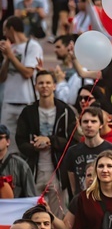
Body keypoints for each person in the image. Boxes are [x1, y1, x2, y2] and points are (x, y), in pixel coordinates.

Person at [17, 71, 76, 201]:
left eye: (48, 82)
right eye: (41, 83)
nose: (45, 86)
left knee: (59, 216)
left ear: (54, 86)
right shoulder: (28, 112)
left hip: (58, 172)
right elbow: (20, 141)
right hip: (34, 171)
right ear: (35, 86)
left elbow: (73, 142)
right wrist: (33, 147)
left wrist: (50, 140)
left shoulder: (65, 111)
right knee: (34, 214)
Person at [0, 16, 43, 153]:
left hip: (26, 101)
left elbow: (28, 73)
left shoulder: (33, 46)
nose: (4, 35)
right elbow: (2, 77)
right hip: (8, 102)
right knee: (7, 143)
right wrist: (7, 58)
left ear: (11, 29)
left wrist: (11, 56)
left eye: (5, 31)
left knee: (26, 143)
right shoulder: (10, 48)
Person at [63, 107, 112, 195]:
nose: (89, 125)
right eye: (85, 121)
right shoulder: (72, 152)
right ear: (80, 125)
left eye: (93, 121)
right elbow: (73, 187)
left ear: (101, 124)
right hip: (83, 203)